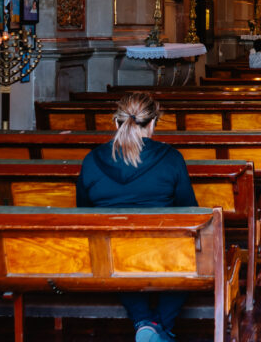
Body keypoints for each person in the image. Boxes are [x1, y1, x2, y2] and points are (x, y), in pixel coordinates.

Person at [77, 93, 196, 342]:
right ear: (152, 123)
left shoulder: (91, 160)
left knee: (116, 252)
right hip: (162, 251)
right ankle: (158, 325)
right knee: (195, 252)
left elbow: (83, 210)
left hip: (110, 254)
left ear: (116, 122)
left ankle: (143, 320)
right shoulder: (171, 158)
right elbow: (189, 210)